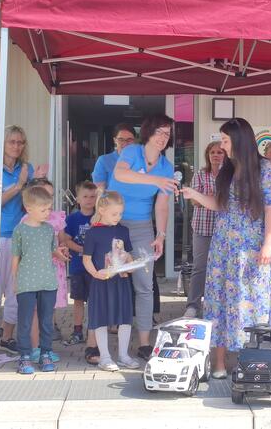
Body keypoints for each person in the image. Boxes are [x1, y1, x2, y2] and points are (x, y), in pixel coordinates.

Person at [181, 117, 271, 379]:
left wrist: (268, 243)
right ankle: (220, 363)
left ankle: (252, 360)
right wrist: (194, 195)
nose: (222, 145)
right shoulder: (226, 166)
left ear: (239, 139)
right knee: (219, 301)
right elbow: (220, 204)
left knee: (251, 303)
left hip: (251, 245)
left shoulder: (266, 168)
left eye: (225, 140)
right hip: (223, 244)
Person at [111, 114, 177, 360]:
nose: (163, 138)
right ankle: (100, 342)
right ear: (148, 131)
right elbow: (120, 174)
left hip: (142, 227)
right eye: (159, 131)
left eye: (167, 134)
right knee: (111, 279)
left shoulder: (166, 166)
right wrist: (155, 179)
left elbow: (161, 205)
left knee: (145, 285)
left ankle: (144, 343)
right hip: (113, 223)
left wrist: (160, 235)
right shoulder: (132, 151)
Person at [0, 125, 40, 354]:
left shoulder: (28, 168)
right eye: (12, 142)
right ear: (3, 144)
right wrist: (19, 185)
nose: (16, 146)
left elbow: (33, 202)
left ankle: (6, 337)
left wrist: (37, 183)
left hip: (22, 237)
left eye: (20, 142)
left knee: (16, 292)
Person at [12, 186, 68, 374]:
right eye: (43, 210)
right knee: (25, 320)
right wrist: (15, 280)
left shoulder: (49, 229)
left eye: (49, 209)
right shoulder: (20, 230)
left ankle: (45, 353)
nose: (47, 213)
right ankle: (24, 356)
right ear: (29, 208)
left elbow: (51, 250)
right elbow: (15, 257)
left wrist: (60, 254)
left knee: (46, 321)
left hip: (47, 281)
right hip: (27, 282)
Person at [82, 191, 140, 371]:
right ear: (102, 210)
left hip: (121, 282)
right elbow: (87, 259)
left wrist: (131, 265)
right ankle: (105, 357)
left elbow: (128, 255)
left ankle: (123, 355)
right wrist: (95, 273)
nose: (118, 217)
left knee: (125, 318)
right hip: (101, 283)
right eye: (114, 214)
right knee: (100, 318)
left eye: (120, 214)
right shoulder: (93, 233)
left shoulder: (123, 230)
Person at [23, 178, 68, 352]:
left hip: (54, 268)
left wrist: (63, 248)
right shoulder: (26, 220)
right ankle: (35, 347)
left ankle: (45, 348)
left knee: (48, 308)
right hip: (35, 269)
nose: (47, 198)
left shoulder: (57, 216)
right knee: (35, 310)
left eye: (50, 194)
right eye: (43, 194)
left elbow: (62, 237)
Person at [183, 141, 225, 318]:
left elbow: (227, 202)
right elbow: (193, 201)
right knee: (200, 267)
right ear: (208, 155)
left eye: (219, 152)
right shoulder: (201, 174)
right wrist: (212, 199)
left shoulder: (229, 175)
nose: (216, 155)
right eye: (212, 152)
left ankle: (217, 305)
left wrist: (205, 198)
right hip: (202, 227)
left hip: (223, 230)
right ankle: (193, 305)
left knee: (221, 268)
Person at [63, 181, 97, 357]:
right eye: (85, 196)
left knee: (95, 300)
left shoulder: (100, 217)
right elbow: (66, 239)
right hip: (78, 266)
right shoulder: (72, 219)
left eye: (92, 196)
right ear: (77, 199)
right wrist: (82, 250)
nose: (89, 200)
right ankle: (77, 330)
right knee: (78, 300)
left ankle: (94, 329)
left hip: (96, 268)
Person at [92, 123, 136, 189]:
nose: (125, 143)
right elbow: (99, 191)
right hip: (113, 199)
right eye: (121, 139)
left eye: (129, 140)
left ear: (134, 141)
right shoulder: (103, 161)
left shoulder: (142, 160)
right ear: (115, 140)